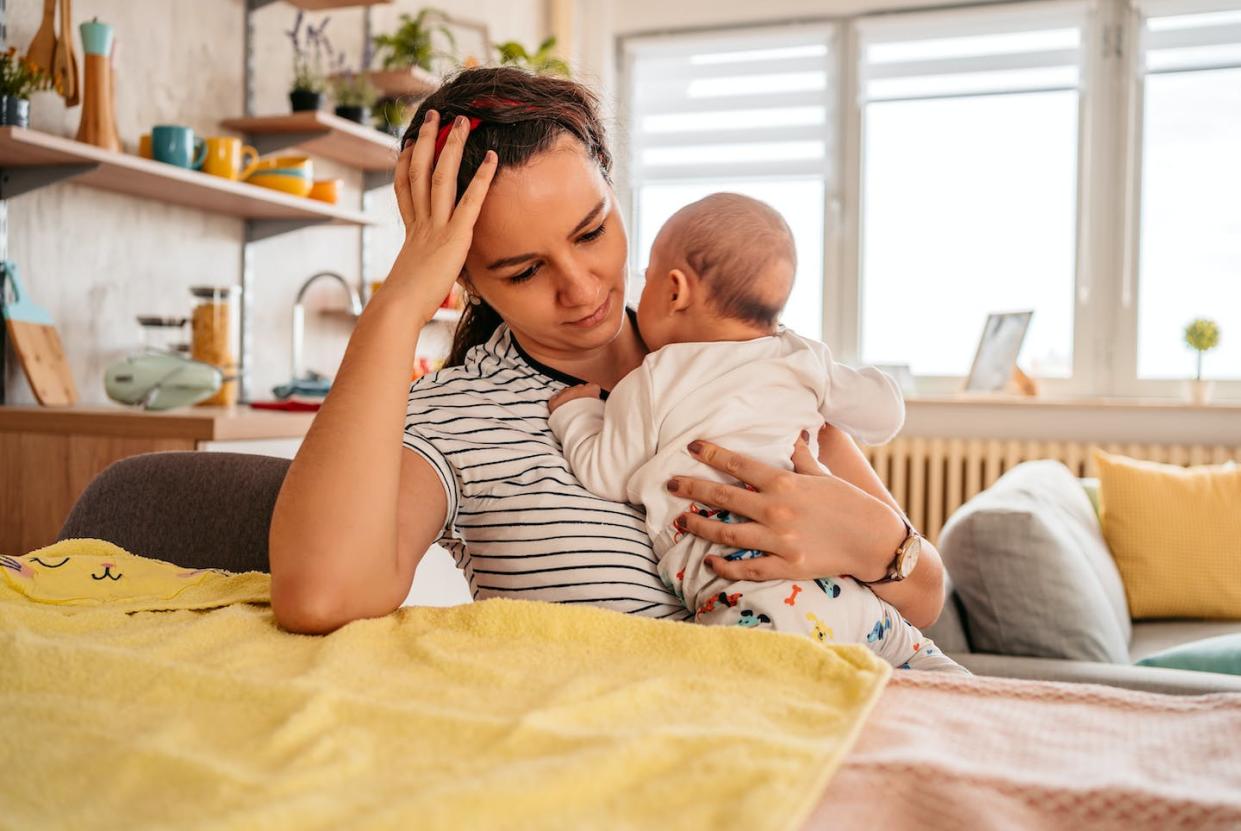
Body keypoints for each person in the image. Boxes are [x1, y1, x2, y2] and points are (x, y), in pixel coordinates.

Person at [266, 67, 946, 638]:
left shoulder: (732, 349)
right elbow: (321, 596)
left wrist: (876, 543)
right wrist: (399, 303)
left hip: (856, 718)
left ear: (614, 189)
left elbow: (925, 595)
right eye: (524, 270)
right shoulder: (459, 415)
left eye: (591, 231)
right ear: (464, 277)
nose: (580, 286)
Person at [545, 193, 963, 672]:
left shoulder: (653, 379)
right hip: (855, 597)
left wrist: (576, 415)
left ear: (675, 291)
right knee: (953, 689)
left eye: (650, 273)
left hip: (760, 598)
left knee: (752, 699)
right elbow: (885, 416)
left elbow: (605, 472)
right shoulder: (800, 355)